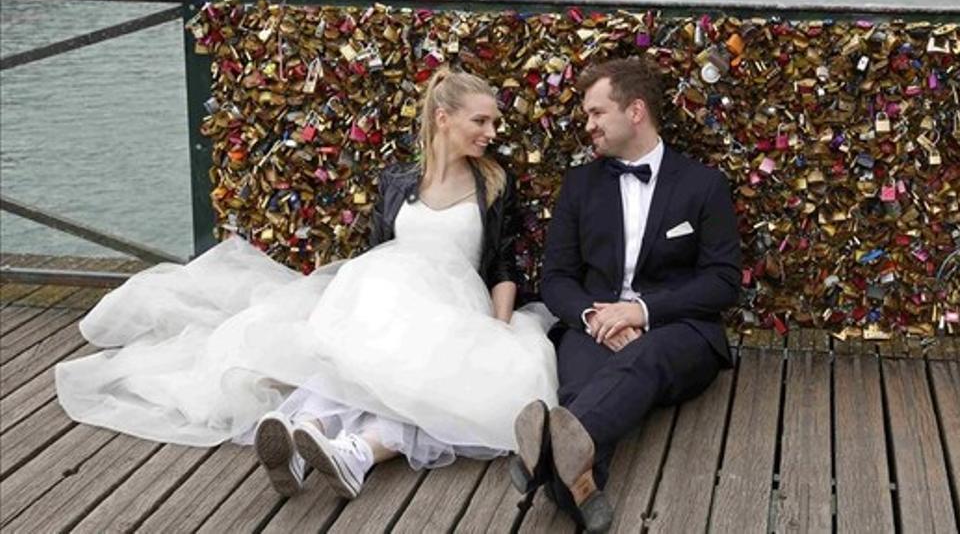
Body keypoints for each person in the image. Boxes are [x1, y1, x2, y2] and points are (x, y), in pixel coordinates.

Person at [56, 68, 558, 500]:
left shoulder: (492, 183)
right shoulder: (398, 182)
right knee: (359, 353)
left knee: (435, 379)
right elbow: (379, 254)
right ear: (443, 118)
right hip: (388, 297)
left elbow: (503, 266)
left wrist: (497, 326)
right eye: (481, 120)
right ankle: (310, 436)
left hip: (456, 310)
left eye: (493, 121)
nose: (492, 131)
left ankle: (351, 451)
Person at [510, 58, 741, 532]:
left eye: (597, 113)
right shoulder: (579, 186)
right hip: (591, 326)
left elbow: (723, 281)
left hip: (679, 332)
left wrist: (639, 312)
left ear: (635, 111)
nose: (588, 125)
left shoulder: (704, 185)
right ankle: (579, 489)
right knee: (580, 391)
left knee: (643, 358)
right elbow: (556, 278)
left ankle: (544, 456)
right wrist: (597, 316)